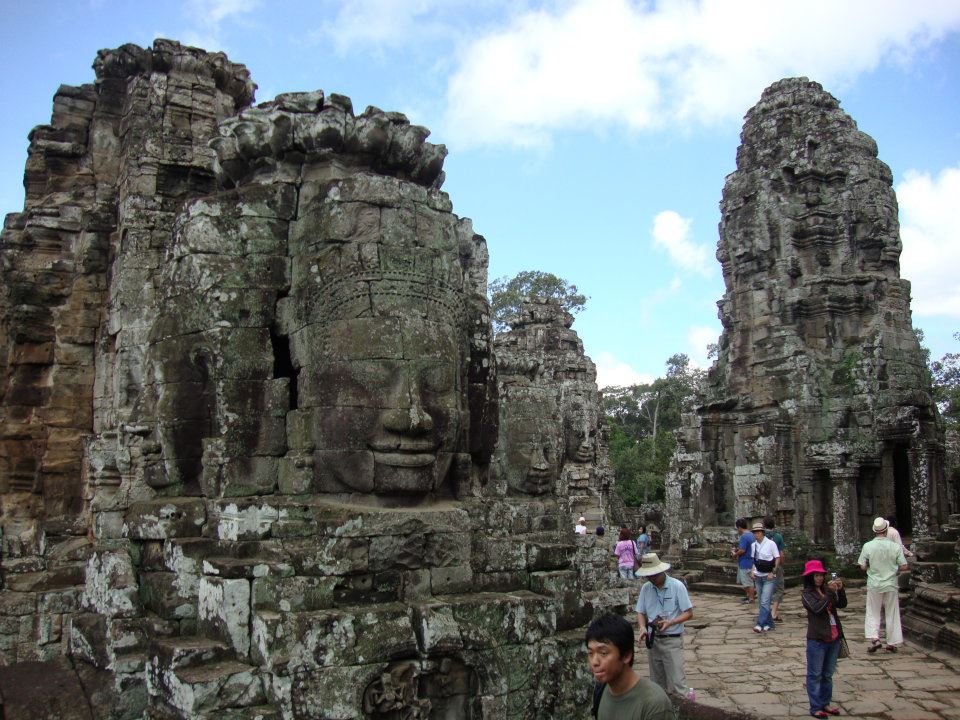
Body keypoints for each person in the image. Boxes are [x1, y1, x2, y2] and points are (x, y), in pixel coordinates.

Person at [585, 612, 676, 720]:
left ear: (626, 655)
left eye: (603, 653)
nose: (594, 662)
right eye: (590, 653)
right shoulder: (601, 690)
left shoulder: (653, 704)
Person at [635, 553, 696, 702]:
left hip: (672, 640)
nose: (651, 579)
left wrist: (671, 622)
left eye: (654, 576)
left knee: (677, 684)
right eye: (648, 576)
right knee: (657, 685)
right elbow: (640, 612)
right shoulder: (646, 588)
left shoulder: (677, 586)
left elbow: (688, 613)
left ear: (662, 571)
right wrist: (642, 627)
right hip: (654, 640)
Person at [801, 559, 847, 719]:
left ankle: (825, 703)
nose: (819, 578)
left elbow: (842, 604)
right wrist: (829, 593)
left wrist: (840, 590)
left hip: (833, 636)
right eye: (816, 575)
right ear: (810, 577)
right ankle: (815, 707)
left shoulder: (826, 590)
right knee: (815, 674)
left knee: (827, 674)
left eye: (821, 575)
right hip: (817, 638)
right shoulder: (807, 595)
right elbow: (818, 608)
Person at [858, 516, 908, 652]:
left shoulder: (868, 546)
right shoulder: (894, 547)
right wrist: (894, 570)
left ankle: (875, 638)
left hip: (874, 583)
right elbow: (904, 566)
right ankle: (891, 643)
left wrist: (870, 567)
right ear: (887, 530)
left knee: (873, 611)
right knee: (892, 612)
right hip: (891, 583)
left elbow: (862, 566)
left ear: (875, 531)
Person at [751, 520, 781, 632]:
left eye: (758, 532)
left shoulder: (771, 544)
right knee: (762, 602)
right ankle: (770, 624)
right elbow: (754, 560)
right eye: (754, 532)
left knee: (764, 601)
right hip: (758, 576)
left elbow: (777, 558)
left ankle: (760, 624)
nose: (756, 534)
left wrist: (773, 572)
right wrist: (752, 571)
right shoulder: (753, 545)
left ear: (762, 532)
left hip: (768, 576)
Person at [764, 516, 786, 621]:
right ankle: (773, 613)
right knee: (778, 589)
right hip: (775, 566)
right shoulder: (777, 537)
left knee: (765, 588)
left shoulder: (761, 536)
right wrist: (781, 565)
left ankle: (765, 612)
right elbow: (781, 554)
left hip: (763, 566)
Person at [731, 518, 756, 604]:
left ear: (739, 527)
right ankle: (749, 596)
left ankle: (751, 598)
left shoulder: (744, 536)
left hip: (745, 562)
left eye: (737, 528)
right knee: (746, 581)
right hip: (750, 561)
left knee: (748, 582)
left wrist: (735, 553)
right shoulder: (751, 534)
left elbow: (742, 550)